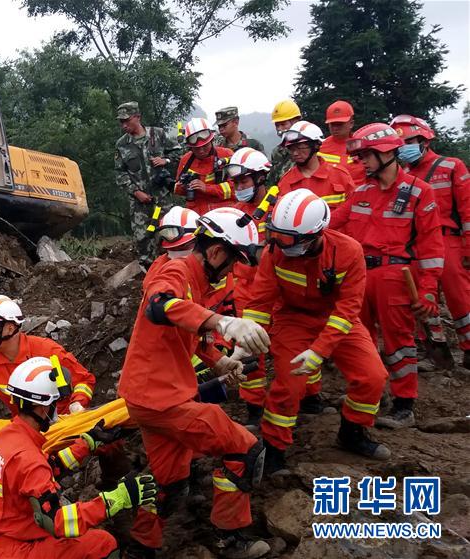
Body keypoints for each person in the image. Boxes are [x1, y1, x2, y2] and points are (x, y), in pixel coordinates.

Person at [120, 207, 271, 559]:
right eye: (233, 261)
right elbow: (160, 305)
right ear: (217, 252)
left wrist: (221, 362)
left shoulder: (195, 282)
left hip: (147, 398)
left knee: (169, 483)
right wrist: (223, 322)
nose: (233, 270)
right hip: (164, 400)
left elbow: (189, 333)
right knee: (244, 449)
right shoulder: (176, 271)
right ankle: (229, 538)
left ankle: (140, 547)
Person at [241, 189, 390, 474]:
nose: (279, 244)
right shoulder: (274, 252)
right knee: (289, 385)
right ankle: (274, 448)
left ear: (314, 234)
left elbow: (347, 310)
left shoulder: (348, 252)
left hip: (337, 320)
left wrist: (319, 351)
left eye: (287, 239)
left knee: (372, 376)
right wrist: (246, 338)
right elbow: (260, 302)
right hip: (292, 320)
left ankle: (352, 432)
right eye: (276, 235)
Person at [0, 356, 157, 559]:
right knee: (102, 544)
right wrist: (117, 498)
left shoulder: (6, 437)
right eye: (55, 403)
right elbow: (58, 523)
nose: (57, 409)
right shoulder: (29, 459)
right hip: (18, 550)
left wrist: (86, 444)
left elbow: (45, 469)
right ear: (43, 407)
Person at [330, 123, 444, 429]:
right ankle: (368, 394)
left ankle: (404, 405)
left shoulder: (420, 192)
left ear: (385, 153)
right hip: (359, 276)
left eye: (366, 156)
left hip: (395, 276)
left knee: (399, 342)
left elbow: (431, 245)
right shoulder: (361, 192)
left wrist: (428, 289)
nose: (362, 162)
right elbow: (334, 224)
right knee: (360, 340)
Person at [391, 114, 470, 368]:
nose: (404, 148)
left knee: (460, 298)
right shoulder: (400, 176)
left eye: (409, 142)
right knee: (422, 300)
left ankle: (469, 348)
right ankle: (437, 350)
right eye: (400, 145)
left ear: (424, 141)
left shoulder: (452, 166)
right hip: (416, 246)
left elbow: (468, 209)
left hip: (449, 242)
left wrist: (468, 246)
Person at [0, 294, 96, 418]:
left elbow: (84, 380)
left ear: (9, 328)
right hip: (29, 432)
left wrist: (77, 404)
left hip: (65, 425)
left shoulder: (47, 350)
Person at [224, 147, 276, 428]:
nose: (239, 187)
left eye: (244, 181)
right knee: (248, 348)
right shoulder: (236, 213)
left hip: (279, 289)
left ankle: (309, 398)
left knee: (289, 346)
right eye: (236, 182)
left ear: (260, 178)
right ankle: (255, 408)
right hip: (245, 290)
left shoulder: (279, 209)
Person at [114, 101, 182, 266]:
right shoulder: (122, 145)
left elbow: (179, 153)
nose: (124, 125)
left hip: (162, 199)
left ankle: (173, 269)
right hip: (140, 204)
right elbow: (120, 174)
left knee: (170, 234)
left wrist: (165, 160)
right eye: (121, 122)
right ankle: (148, 273)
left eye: (127, 120)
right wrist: (136, 192)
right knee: (143, 240)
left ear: (137, 117)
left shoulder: (157, 134)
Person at [278, 120, 354, 209]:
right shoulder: (286, 181)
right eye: (291, 148)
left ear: (316, 145)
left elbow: (354, 210)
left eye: (300, 147)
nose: (295, 153)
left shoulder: (340, 176)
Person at [174, 118, 236, 215]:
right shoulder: (185, 160)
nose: (201, 151)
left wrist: (207, 188)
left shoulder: (226, 155)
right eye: (196, 148)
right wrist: (182, 187)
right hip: (196, 214)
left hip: (223, 212)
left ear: (212, 140)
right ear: (190, 147)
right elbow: (178, 189)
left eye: (205, 146)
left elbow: (237, 189)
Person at [318, 100, 365, 183]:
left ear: (351, 124)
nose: (335, 128)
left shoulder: (363, 145)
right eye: (332, 124)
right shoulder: (320, 148)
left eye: (339, 124)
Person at [267, 99, 302, 186]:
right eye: (277, 125)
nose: (279, 129)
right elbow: (272, 181)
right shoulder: (277, 152)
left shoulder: (308, 148)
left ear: (296, 122)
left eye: (283, 124)